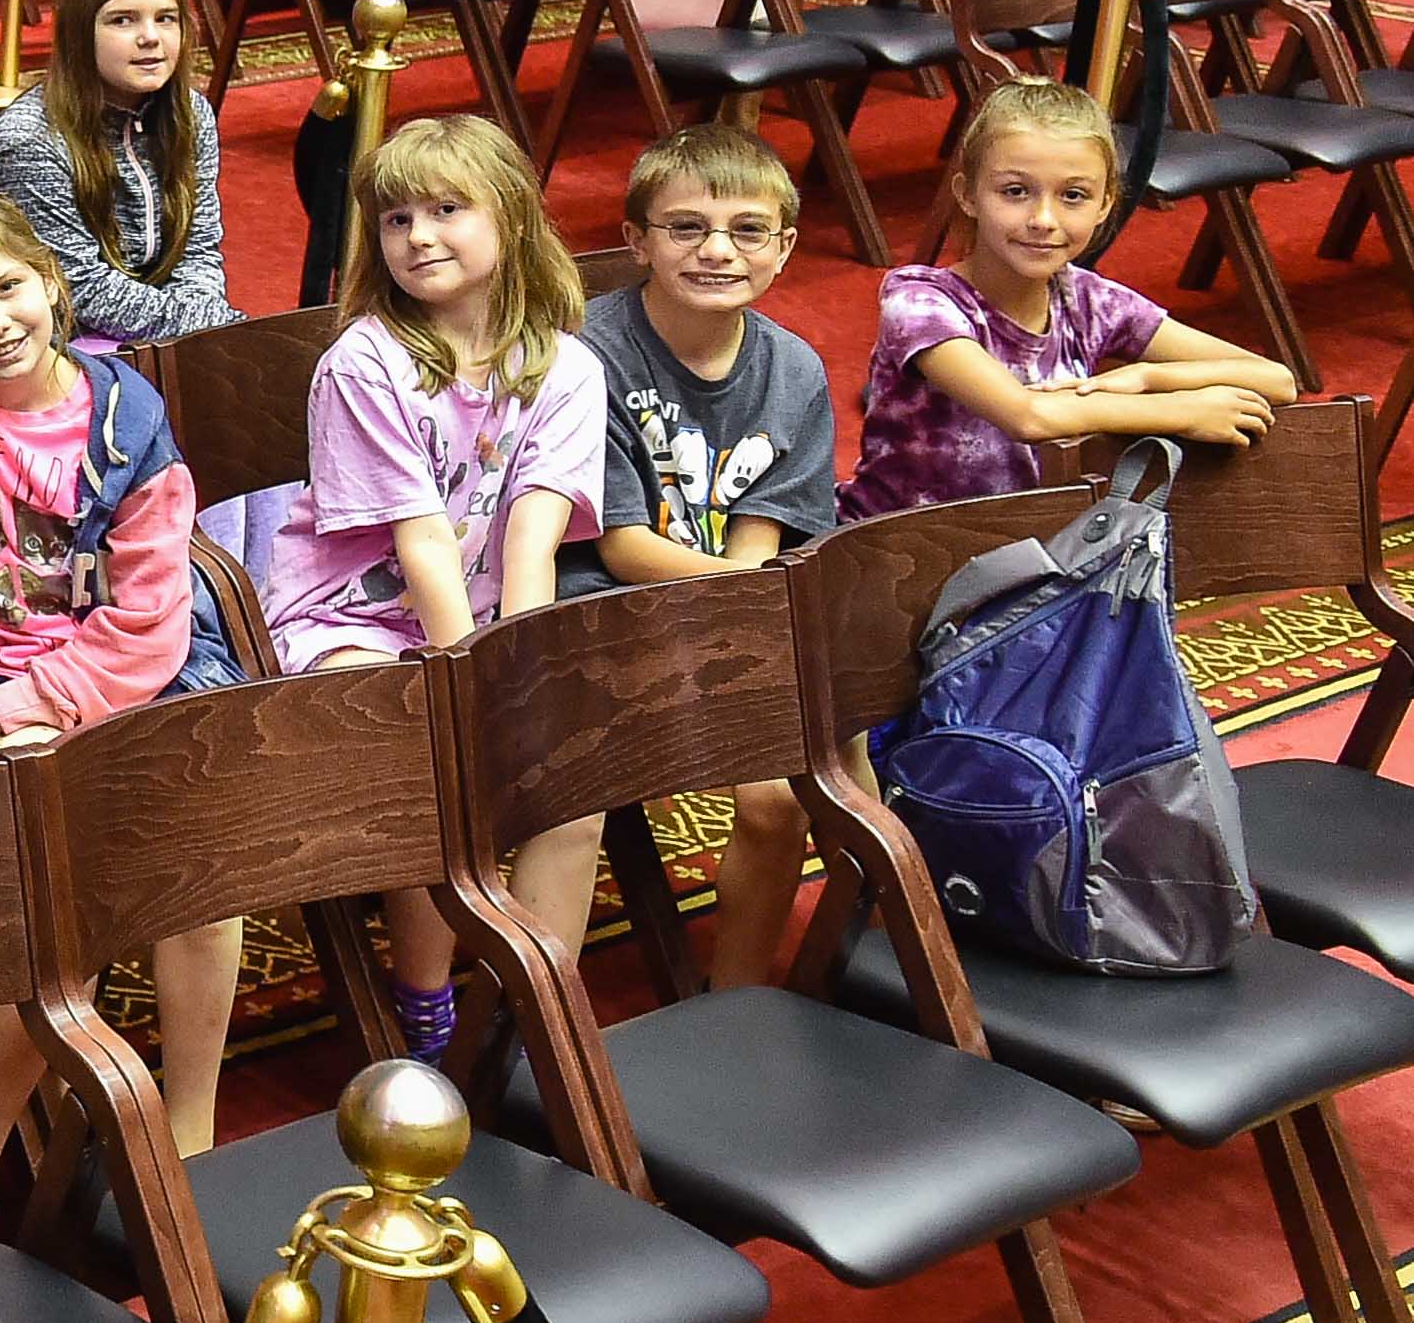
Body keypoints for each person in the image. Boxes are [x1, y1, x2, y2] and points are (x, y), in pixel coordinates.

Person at [0, 186, 244, 1176]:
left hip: (128, 673)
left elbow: (144, 634)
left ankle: (193, 1125)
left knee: (202, 872)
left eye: (9, 286)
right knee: (51, 843)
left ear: (53, 280)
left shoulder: (126, 421)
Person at [259, 116, 607, 1062]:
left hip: (485, 618)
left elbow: (532, 539)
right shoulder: (366, 362)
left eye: (449, 209)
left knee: (576, 782)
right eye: (397, 217)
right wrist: (470, 692)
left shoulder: (566, 367)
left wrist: (518, 681)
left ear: (515, 219)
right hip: (350, 619)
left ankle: (538, 1010)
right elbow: (419, 542)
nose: (419, 235)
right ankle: (424, 1004)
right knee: (431, 767)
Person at [563, 126, 842, 989]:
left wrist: (758, 597)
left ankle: (742, 997)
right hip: (607, 611)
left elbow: (765, 527)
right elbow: (624, 545)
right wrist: (762, 596)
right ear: (637, 239)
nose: (718, 249)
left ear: (785, 247)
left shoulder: (792, 368)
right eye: (686, 226)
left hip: (736, 608)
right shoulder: (587, 354)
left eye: (748, 229)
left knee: (797, 791)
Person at [845, 78, 1295, 519]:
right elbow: (1028, 415)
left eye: (1073, 196)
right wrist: (1177, 410)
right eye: (1015, 191)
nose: (1043, 219)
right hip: (897, 555)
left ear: (1104, 206)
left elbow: (1275, 380)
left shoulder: (1088, 300)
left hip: (1031, 558)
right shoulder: (920, 301)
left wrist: (1144, 378)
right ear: (967, 195)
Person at [0, 0, 232, 346]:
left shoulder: (192, 113)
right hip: (55, 339)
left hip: (167, 325)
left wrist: (206, 324)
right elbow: (78, 286)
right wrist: (212, 329)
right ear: (80, 34)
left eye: (166, 18)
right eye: (123, 20)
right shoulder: (29, 142)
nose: (150, 37)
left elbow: (199, 249)